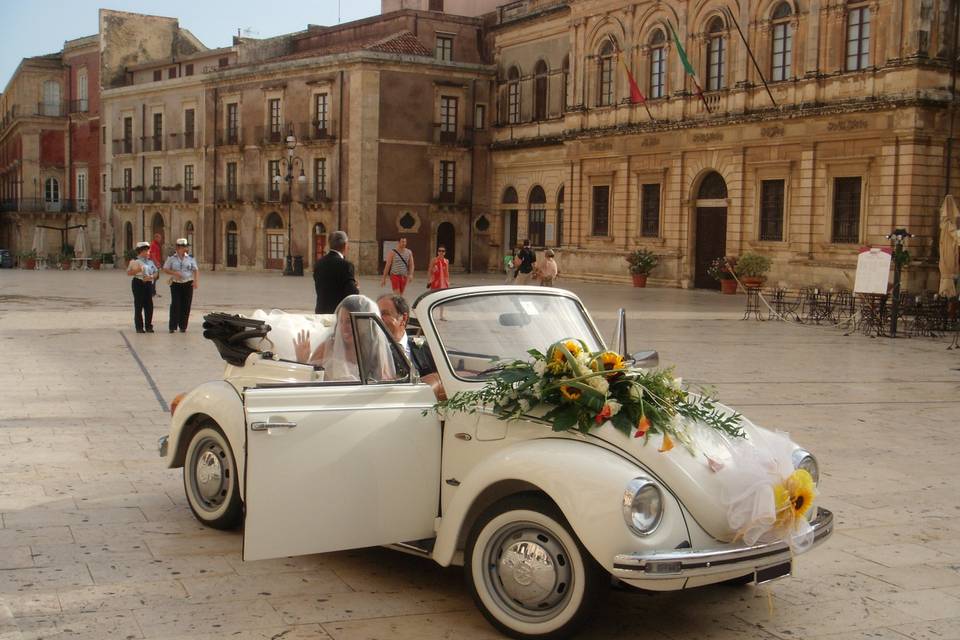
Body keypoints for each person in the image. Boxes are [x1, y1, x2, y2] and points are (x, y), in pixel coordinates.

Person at [292, 295, 395, 382]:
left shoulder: (375, 349)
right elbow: (309, 381)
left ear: (364, 324)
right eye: (341, 322)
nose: (344, 328)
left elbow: (386, 380)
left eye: (350, 322)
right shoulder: (327, 348)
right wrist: (302, 361)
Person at [377, 293, 446, 400]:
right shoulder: (371, 352)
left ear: (403, 318)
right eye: (376, 314)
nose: (378, 319)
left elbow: (444, 381)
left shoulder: (425, 349)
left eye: (384, 314)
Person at [313, 230, 359, 314]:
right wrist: (356, 288)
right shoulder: (346, 265)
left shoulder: (319, 263)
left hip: (321, 311)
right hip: (338, 313)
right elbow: (352, 294)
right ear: (345, 245)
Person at [161, 238, 199, 333]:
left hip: (188, 283)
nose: (185, 249)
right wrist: (174, 272)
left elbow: (195, 270)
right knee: (175, 304)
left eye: (185, 247)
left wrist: (196, 281)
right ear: (178, 248)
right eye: (182, 247)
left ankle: (183, 326)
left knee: (186, 305)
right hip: (176, 284)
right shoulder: (171, 258)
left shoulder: (190, 258)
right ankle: (172, 326)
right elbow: (165, 269)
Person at [126, 241, 158, 333]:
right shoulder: (134, 261)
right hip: (138, 282)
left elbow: (156, 272)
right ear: (141, 251)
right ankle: (139, 327)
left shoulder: (150, 262)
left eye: (148, 251)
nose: (148, 253)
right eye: (146, 251)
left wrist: (151, 277)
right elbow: (129, 273)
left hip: (148, 283)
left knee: (149, 305)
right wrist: (138, 269)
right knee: (139, 305)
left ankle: (149, 326)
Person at [148, 233, 163, 298]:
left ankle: (153, 292)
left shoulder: (156, 245)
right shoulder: (153, 245)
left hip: (155, 263)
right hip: (153, 264)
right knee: (153, 278)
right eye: (159, 238)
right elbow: (153, 255)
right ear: (156, 238)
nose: (160, 239)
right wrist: (157, 263)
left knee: (155, 278)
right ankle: (152, 293)